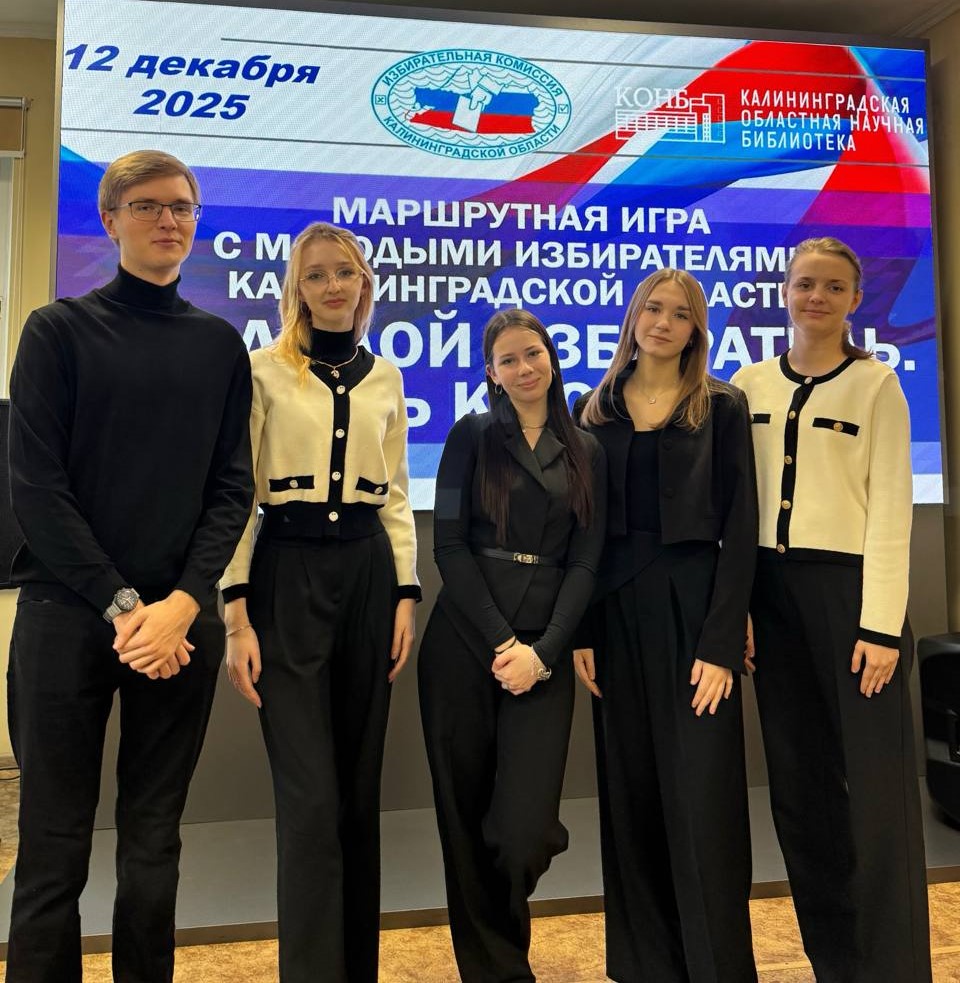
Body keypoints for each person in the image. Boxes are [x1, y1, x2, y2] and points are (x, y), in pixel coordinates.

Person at [6, 149, 254, 983]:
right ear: (110, 220)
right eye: (147, 206)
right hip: (66, 618)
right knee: (53, 845)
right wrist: (125, 607)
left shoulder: (219, 345)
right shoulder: (57, 332)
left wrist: (182, 603)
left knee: (153, 841)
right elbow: (37, 490)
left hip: (178, 629)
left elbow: (232, 490)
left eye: (182, 206)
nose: (168, 220)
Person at [220, 221, 419, 983]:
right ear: (296, 289)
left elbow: (395, 493)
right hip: (286, 572)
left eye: (345, 271)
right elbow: (236, 496)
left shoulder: (386, 376)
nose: (333, 285)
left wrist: (405, 592)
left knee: (357, 791)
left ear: (364, 281)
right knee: (308, 799)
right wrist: (236, 611)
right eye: (316, 274)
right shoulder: (262, 370)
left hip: (368, 574)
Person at [732, 237, 931, 982]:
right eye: (805, 283)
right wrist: (738, 608)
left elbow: (892, 513)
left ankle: (894, 968)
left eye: (834, 286)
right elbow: (734, 509)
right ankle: (836, 964)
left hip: (853, 606)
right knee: (800, 792)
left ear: (854, 299)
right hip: (771, 602)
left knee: (877, 797)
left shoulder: (877, 385)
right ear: (785, 291)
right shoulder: (747, 384)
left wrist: (880, 627)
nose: (816, 296)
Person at [573, 268, 758, 983]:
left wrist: (722, 641)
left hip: (695, 614)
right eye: (653, 308)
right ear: (633, 316)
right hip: (616, 614)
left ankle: (716, 968)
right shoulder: (595, 408)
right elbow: (583, 530)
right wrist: (584, 631)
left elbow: (741, 529)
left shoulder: (722, 405)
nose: (662, 322)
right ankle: (646, 966)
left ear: (695, 330)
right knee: (632, 793)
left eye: (680, 314)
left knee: (703, 796)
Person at [417, 308, 606, 982]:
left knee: (523, 833)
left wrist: (544, 651)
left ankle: (500, 951)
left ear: (551, 357)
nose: (524, 368)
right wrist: (503, 640)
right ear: (491, 373)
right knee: (464, 820)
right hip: (464, 645)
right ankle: (498, 970)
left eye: (533, 353)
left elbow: (587, 562)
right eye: (508, 360)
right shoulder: (469, 436)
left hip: (543, 654)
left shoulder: (588, 450)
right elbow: (448, 546)